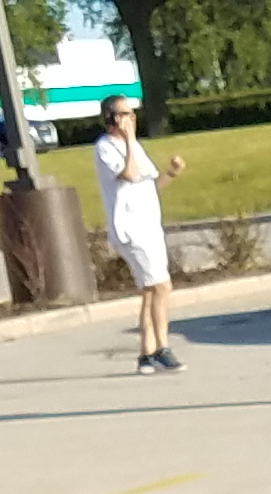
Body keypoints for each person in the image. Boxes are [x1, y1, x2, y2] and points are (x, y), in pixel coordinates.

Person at [90, 96, 189, 374]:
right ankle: (162, 348)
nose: (131, 119)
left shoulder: (134, 147)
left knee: (149, 288)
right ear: (111, 118)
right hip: (130, 229)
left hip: (149, 225)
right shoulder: (105, 148)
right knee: (161, 286)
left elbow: (149, 186)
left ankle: (146, 353)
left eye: (132, 114)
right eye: (124, 114)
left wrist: (172, 173)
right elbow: (129, 174)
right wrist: (129, 140)